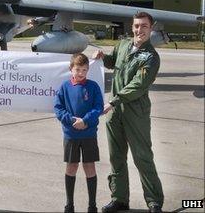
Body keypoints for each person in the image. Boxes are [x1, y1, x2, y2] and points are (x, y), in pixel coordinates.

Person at [93, 12, 164, 213]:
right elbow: (112, 61)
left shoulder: (151, 57)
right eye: (136, 26)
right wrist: (102, 57)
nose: (139, 30)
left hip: (135, 113)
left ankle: (154, 202)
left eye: (144, 26)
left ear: (151, 29)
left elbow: (137, 85)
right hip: (114, 113)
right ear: (131, 27)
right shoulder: (123, 45)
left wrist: (114, 101)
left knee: (142, 157)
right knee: (116, 157)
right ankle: (119, 198)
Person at [54, 53, 104, 213]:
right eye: (78, 69)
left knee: (89, 167)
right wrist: (70, 120)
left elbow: (98, 107)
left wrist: (86, 121)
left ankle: (92, 206)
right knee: (71, 167)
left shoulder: (93, 86)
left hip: (89, 135)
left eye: (84, 70)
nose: (81, 73)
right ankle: (69, 205)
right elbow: (58, 108)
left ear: (88, 70)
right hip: (71, 135)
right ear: (71, 69)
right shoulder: (64, 87)